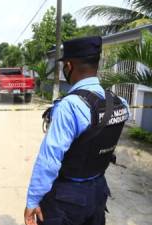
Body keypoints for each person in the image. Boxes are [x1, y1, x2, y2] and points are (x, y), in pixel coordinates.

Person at [24, 36, 130, 225]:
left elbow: (49, 160)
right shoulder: (120, 103)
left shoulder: (70, 106)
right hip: (98, 191)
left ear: (69, 66)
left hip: (68, 198)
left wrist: (33, 200)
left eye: (64, 64)